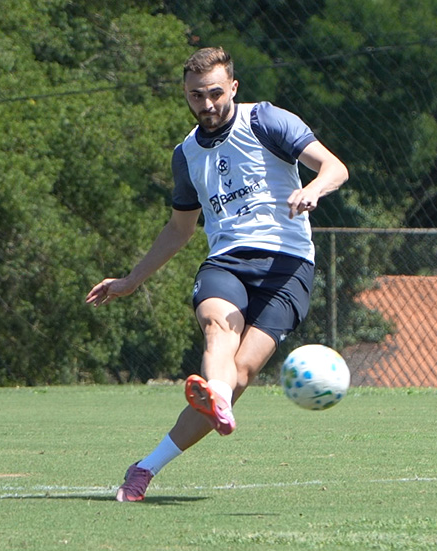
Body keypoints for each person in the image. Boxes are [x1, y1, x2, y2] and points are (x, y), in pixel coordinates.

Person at [85, 46, 349, 502]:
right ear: (185, 94)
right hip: (227, 260)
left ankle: (146, 465)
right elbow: (179, 229)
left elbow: (335, 167)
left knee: (240, 372)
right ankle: (218, 399)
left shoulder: (266, 120)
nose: (206, 104)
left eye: (214, 93)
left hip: (288, 266)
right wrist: (131, 280)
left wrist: (313, 188)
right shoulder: (186, 154)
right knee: (217, 329)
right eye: (195, 96)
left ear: (233, 87)